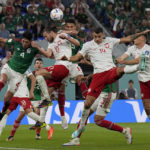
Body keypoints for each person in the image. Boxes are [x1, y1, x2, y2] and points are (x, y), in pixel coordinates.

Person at [61, 28, 150, 145]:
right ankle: (76, 138)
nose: (97, 39)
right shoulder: (89, 46)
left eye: (99, 37)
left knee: (97, 120)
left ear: (103, 35)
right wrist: (68, 59)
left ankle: (125, 131)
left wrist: (141, 33)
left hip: (109, 89)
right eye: (95, 37)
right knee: (86, 108)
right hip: (100, 81)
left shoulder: (110, 42)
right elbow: (81, 59)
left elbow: (127, 39)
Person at [31, 25, 80, 129]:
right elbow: (49, 55)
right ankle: (46, 120)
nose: (45, 38)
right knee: (49, 93)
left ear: (50, 32)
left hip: (65, 65)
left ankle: (48, 101)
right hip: (59, 67)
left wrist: (67, 36)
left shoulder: (61, 34)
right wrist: (38, 48)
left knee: (39, 73)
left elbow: (77, 43)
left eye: (45, 36)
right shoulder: (50, 43)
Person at [0, 31, 52, 120]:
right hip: (9, 68)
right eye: (23, 41)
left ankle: (2, 112)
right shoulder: (16, 42)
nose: (24, 44)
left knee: (7, 100)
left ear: (31, 41)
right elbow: (3, 40)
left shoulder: (34, 48)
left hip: (18, 76)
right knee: (2, 81)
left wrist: (38, 47)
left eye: (26, 42)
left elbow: (48, 55)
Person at [6, 58, 54, 141]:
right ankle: (11, 135)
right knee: (19, 117)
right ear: (34, 65)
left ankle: (38, 134)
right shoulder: (29, 75)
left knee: (38, 113)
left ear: (42, 65)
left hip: (38, 99)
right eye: (37, 63)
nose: (39, 64)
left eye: (40, 63)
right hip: (27, 98)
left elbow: (50, 86)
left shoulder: (45, 76)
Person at [0, 69, 47, 137]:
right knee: (5, 115)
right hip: (12, 95)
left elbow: (33, 79)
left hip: (23, 95)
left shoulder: (24, 67)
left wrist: (31, 92)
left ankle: (45, 127)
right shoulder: (7, 68)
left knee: (29, 113)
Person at [116, 34, 150, 120]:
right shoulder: (132, 48)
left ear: (142, 39)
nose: (134, 39)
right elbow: (124, 55)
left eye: (136, 37)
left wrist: (123, 62)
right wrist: (119, 59)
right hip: (142, 80)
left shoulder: (148, 49)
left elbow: (137, 60)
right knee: (147, 107)